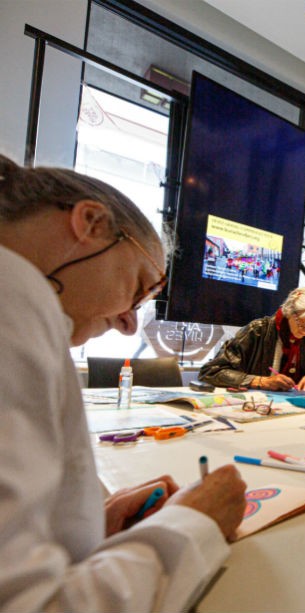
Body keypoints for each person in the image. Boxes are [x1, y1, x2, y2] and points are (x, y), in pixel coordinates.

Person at [0, 154, 247, 611]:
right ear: (90, 222)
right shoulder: (11, 295)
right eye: (138, 287)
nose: (130, 325)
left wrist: (93, 522)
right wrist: (191, 526)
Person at [199, 286, 305, 391]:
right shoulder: (257, 331)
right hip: (254, 405)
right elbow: (211, 371)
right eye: (302, 324)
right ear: (289, 311)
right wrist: (260, 381)